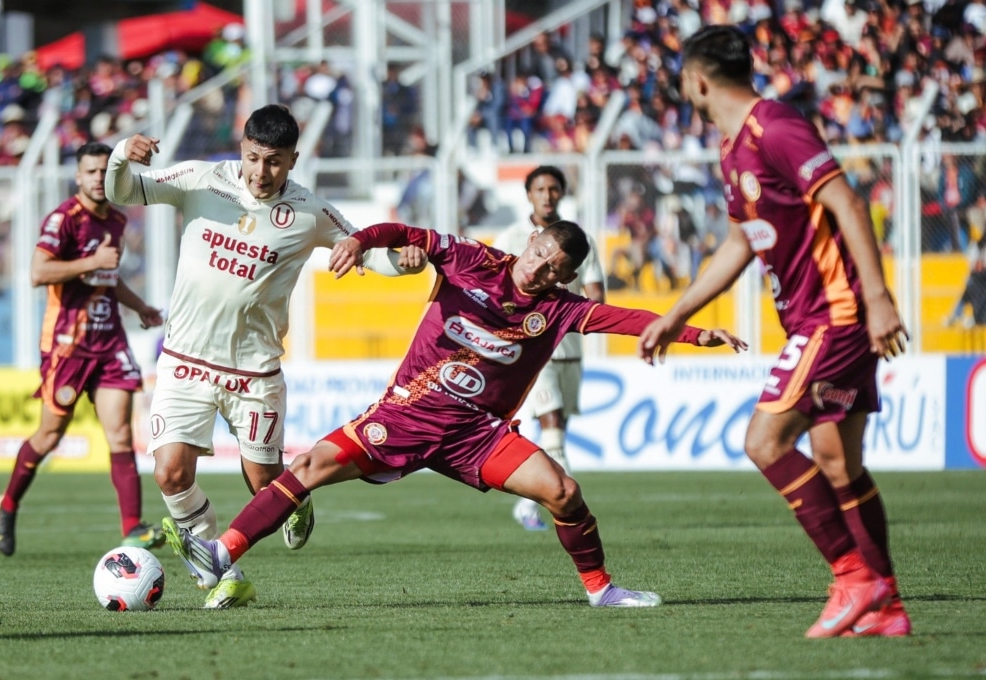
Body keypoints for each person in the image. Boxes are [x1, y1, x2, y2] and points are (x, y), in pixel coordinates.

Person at [171, 220, 745, 608]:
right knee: (312, 464)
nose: (540, 269)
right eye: (540, 253)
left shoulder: (563, 309)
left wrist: (696, 334)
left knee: (563, 492)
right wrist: (362, 242)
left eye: (554, 268)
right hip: (406, 415)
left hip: (477, 436)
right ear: (530, 242)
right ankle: (220, 553)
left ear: (565, 277)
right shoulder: (471, 258)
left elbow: (629, 319)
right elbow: (406, 232)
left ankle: (601, 590)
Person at [637, 25, 912, 638]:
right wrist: (677, 314)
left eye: (683, 78)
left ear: (697, 79)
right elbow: (740, 242)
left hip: (835, 314)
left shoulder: (776, 127)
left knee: (764, 442)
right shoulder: (733, 149)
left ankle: (854, 577)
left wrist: (877, 297)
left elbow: (848, 202)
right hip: (821, 316)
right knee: (839, 464)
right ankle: (886, 606)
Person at [104, 104, 423, 609]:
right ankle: (222, 575)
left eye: (274, 161)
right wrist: (124, 153)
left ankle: (296, 498)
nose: (261, 172)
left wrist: (403, 263)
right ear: (241, 149)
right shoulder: (200, 180)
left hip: (255, 373)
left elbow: (364, 252)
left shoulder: (309, 212)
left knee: (265, 483)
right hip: (185, 361)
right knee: (169, 473)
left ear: (293, 160)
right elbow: (120, 190)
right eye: (253, 158)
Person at [0, 142, 166, 558]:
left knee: (121, 433)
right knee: (50, 434)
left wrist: (139, 306)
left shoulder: (118, 222)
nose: (97, 178)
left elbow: (109, 276)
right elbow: (38, 272)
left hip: (109, 344)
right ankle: (8, 503)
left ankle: (132, 528)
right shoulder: (64, 219)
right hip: (68, 345)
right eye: (90, 171)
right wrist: (89, 262)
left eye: (104, 171)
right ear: (78, 176)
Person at [491, 166, 605, 531]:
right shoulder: (510, 237)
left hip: (571, 348)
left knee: (559, 428)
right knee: (551, 421)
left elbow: (596, 292)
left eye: (554, 188)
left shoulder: (581, 242)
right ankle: (567, 506)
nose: (547, 195)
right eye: (540, 188)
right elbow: (498, 290)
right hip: (532, 350)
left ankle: (529, 502)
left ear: (561, 194)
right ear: (529, 194)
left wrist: (591, 311)